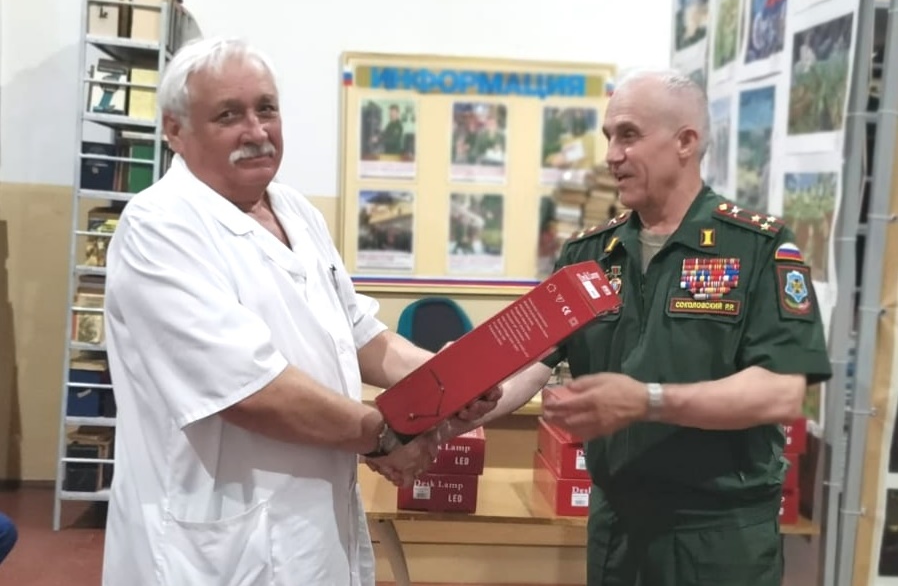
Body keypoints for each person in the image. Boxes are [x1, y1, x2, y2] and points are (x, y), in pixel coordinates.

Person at [100, 36, 498, 586]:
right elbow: (249, 390)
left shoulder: (294, 210)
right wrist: (384, 436)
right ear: (175, 130)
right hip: (216, 541)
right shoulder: (159, 227)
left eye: (266, 108)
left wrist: (450, 380)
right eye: (228, 115)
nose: (256, 131)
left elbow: (359, 334)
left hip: (312, 525)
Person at [449, 68, 832, 586]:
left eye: (628, 135)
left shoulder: (758, 248)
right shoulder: (587, 254)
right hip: (617, 526)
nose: (612, 155)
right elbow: (533, 362)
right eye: (609, 137)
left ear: (685, 142)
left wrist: (649, 400)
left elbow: (781, 392)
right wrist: (453, 408)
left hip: (719, 535)